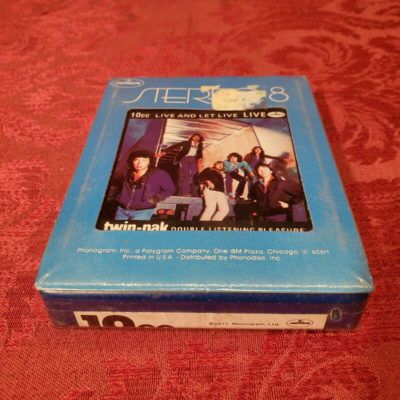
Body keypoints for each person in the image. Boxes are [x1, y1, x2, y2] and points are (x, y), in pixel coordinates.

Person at [115, 150, 175, 220]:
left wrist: (154, 199)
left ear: (149, 162)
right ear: (132, 161)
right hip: (121, 210)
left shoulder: (159, 174)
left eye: (144, 160)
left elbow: (170, 189)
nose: (139, 163)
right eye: (136, 160)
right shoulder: (126, 173)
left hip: (142, 212)